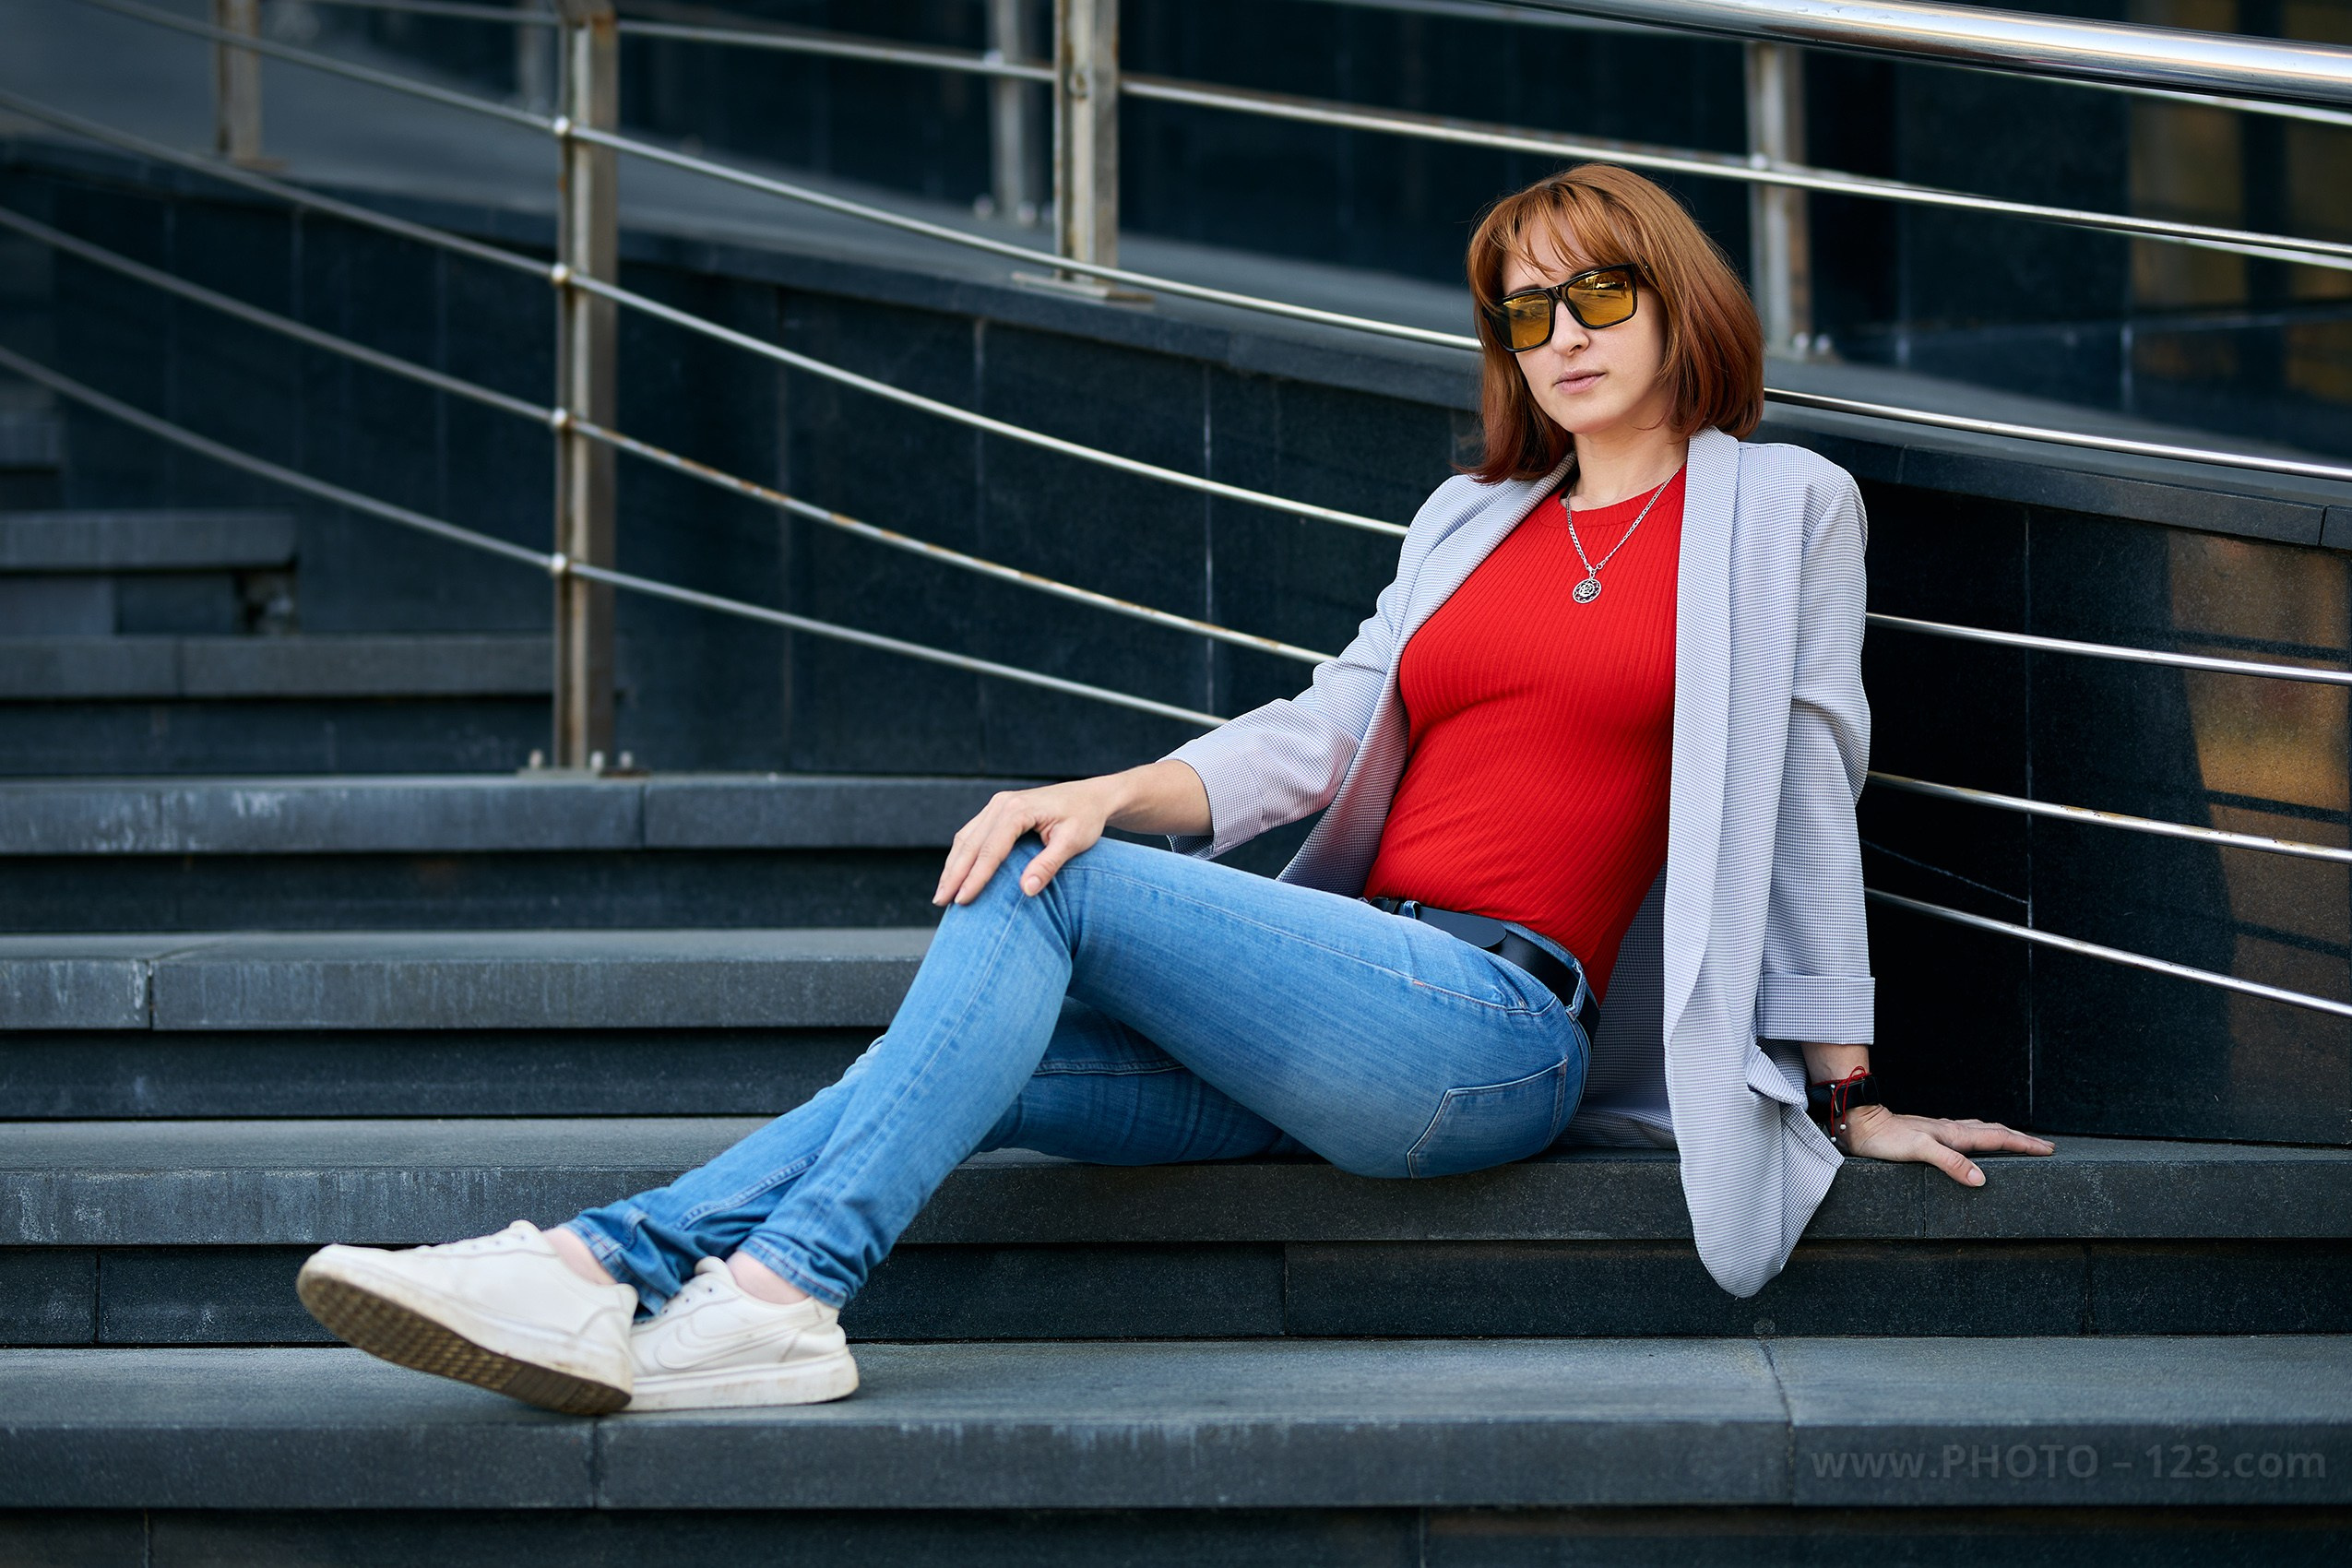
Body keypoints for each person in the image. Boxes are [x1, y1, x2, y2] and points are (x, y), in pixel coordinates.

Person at [295, 162, 2053, 1417]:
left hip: (1490, 1029)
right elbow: (1322, 728)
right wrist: (1118, 782)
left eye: (1602, 291)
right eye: (1528, 310)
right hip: (1340, 993)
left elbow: (1812, 784)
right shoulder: (1470, 522)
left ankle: (771, 1293)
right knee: (956, 1049)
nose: (1566, 334)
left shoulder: (1779, 506)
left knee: (1041, 884)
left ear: (1677, 300)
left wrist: (1839, 1091)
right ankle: (607, 1273)